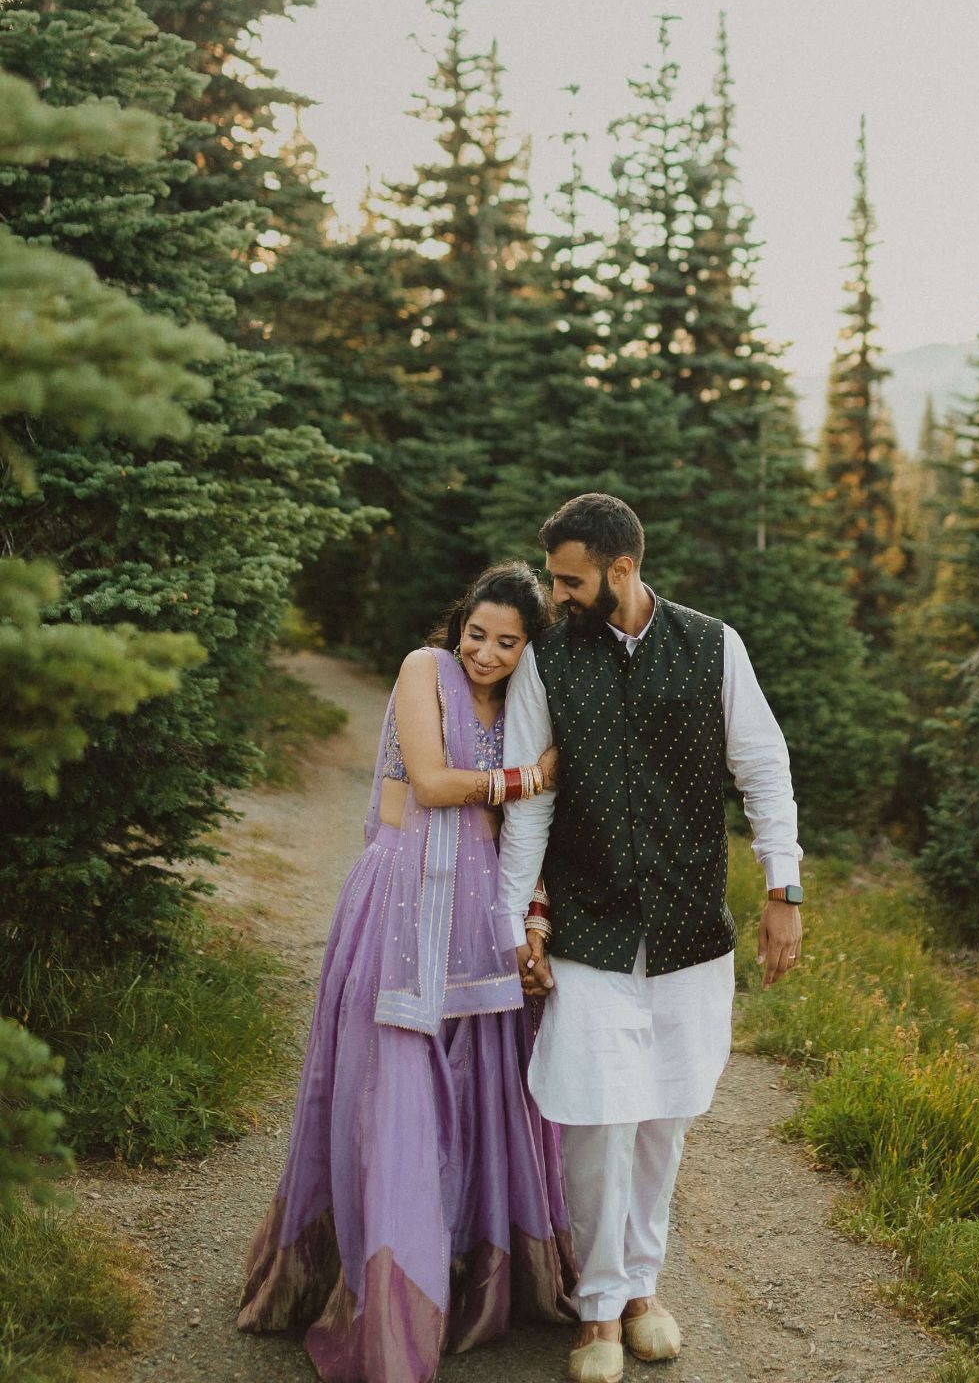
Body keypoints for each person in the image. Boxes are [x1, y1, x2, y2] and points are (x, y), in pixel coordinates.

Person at [238, 561, 577, 1383]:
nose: (484, 654)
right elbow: (428, 784)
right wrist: (529, 775)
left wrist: (534, 920)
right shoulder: (423, 671)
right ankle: (387, 1301)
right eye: (475, 633)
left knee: (481, 1091)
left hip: (481, 918)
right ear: (455, 624)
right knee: (394, 1093)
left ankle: (470, 1275)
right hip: (401, 905)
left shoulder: (527, 706)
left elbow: (525, 834)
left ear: (529, 649)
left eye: (506, 642)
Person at [495, 493, 804, 1383]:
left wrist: (783, 890)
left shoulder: (712, 645)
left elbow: (763, 766)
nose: (553, 596)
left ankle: (642, 1289)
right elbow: (530, 808)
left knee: (665, 1112)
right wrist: (514, 917)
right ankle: (594, 1310)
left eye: (569, 579)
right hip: (589, 924)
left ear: (621, 571)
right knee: (596, 1116)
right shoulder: (548, 657)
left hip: (687, 926)